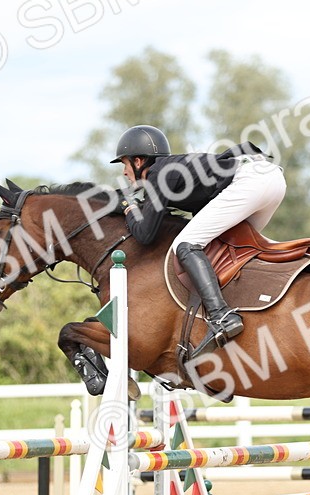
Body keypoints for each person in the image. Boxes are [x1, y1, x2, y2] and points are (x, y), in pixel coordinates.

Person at [111, 124, 287, 352]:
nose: (124, 173)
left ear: (138, 161)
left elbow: (145, 234)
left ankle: (221, 316)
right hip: (271, 178)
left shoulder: (158, 174)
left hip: (251, 181)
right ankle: (257, 306)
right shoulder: (170, 170)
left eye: (124, 164)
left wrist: (128, 206)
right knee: (229, 248)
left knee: (185, 244)